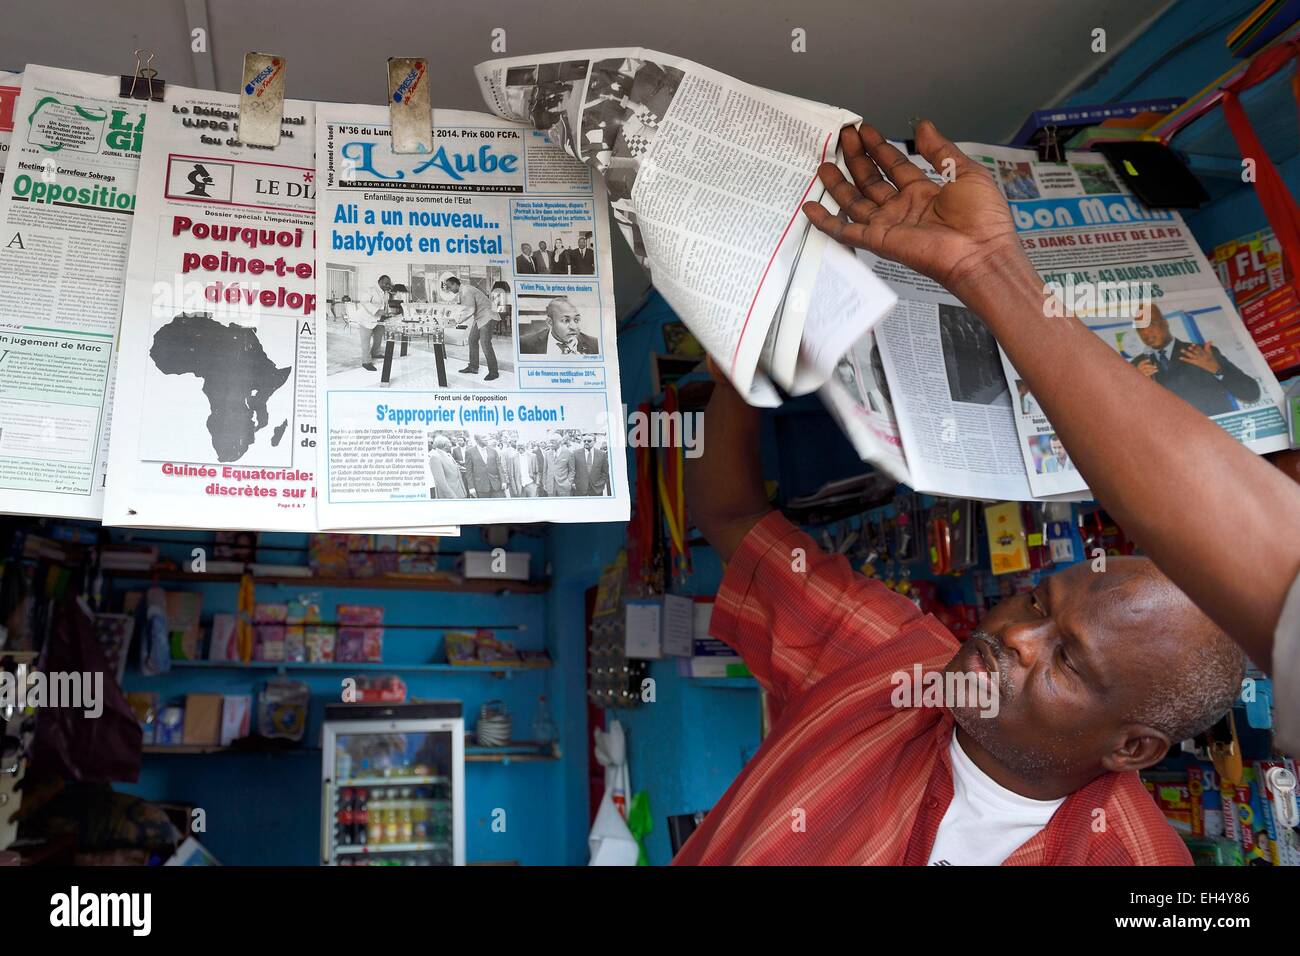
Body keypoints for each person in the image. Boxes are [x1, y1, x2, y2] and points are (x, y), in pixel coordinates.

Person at [793, 122, 1300, 793]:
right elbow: (1269, 555)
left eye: (1070, 662)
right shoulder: (893, 669)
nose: (1019, 640)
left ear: (1136, 747)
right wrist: (983, 266)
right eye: (1036, 601)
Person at [1130, 304, 1260, 417]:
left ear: (1165, 323)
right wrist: (1134, 387)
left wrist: (1216, 369)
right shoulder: (1136, 366)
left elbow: (1251, 393)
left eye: (1151, 324)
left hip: (1215, 434)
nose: (1146, 332)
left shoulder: (1202, 352)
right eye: (1140, 328)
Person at [445, 272, 500, 382]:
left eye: (449, 286)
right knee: (472, 340)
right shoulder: (463, 291)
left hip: (487, 316)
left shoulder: (465, 291)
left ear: (455, 284)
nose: (448, 288)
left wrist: (456, 321)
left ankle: (494, 372)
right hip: (480, 317)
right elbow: (466, 308)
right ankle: (473, 367)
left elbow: (470, 310)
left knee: (485, 344)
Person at [519, 297, 599, 355]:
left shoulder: (595, 344)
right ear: (550, 322)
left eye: (576, 320)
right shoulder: (525, 344)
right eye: (566, 320)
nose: (574, 327)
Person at [356, 274, 394, 372]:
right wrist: (377, 311)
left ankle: (376, 353)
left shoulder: (385, 292)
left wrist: (387, 312)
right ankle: (366, 362)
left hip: (378, 319)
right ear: (380, 282)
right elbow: (364, 302)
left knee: (379, 336)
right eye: (386, 284)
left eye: (388, 284)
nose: (387, 286)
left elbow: (385, 305)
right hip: (366, 319)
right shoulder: (371, 289)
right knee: (366, 341)